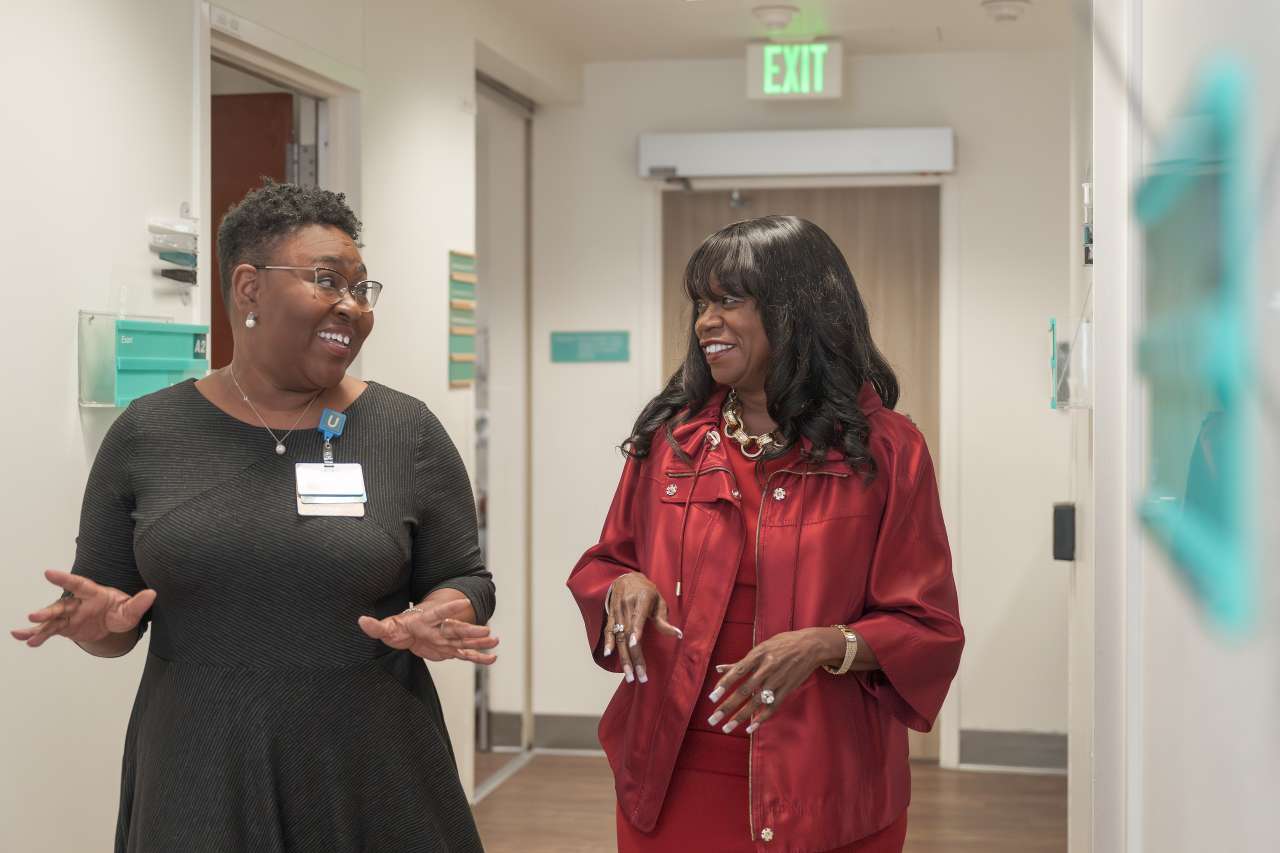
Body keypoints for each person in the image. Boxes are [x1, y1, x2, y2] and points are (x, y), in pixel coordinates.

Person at [11, 182, 497, 852]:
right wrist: (96, 628)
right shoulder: (149, 434)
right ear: (248, 288)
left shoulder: (403, 430)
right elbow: (110, 614)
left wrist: (445, 611)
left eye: (363, 288)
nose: (352, 307)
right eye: (328, 281)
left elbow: (467, 579)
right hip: (201, 767)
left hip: (369, 768)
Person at [567, 215, 964, 852]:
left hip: (825, 784)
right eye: (701, 303)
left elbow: (927, 625)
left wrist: (824, 644)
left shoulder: (888, 451)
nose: (705, 322)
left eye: (730, 300)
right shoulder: (671, 444)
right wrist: (623, 585)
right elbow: (605, 562)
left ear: (799, 311)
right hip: (674, 777)